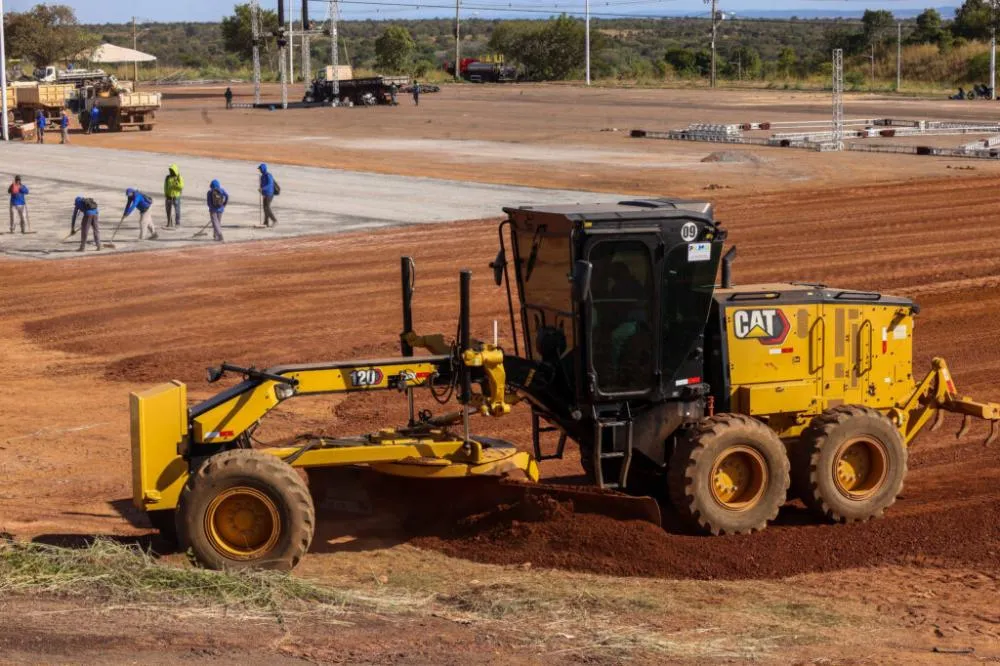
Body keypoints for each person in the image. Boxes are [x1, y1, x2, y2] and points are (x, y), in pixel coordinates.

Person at [258, 163, 279, 227]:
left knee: (267, 208)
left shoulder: (268, 175)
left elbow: (270, 184)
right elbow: (262, 185)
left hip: (270, 193)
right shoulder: (262, 177)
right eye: (259, 169)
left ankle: (275, 221)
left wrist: (263, 189)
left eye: (260, 169)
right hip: (265, 194)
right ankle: (266, 222)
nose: (260, 170)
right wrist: (262, 192)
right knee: (265, 208)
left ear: (264, 169)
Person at [164, 164, 183, 228]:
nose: (171, 172)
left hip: (176, 197)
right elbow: (165, 186)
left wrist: (176, 183)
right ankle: (169, 223)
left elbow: (181, 187)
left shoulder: (178, 177)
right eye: (170, 170)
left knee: (177, 211)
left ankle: (177, 223)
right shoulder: (167, 177)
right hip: (168, 196)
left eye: (172, 170)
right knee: (168, 210)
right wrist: (166, 194)